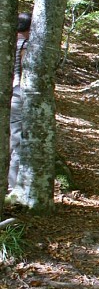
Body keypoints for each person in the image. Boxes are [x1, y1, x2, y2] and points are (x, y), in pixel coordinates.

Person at [9, 13, 31, 191]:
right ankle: (13, 187)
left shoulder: (6, 43)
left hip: (6, 94)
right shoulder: (25, 45)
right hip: (17, 94)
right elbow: (26, 73)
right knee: (17, 142)